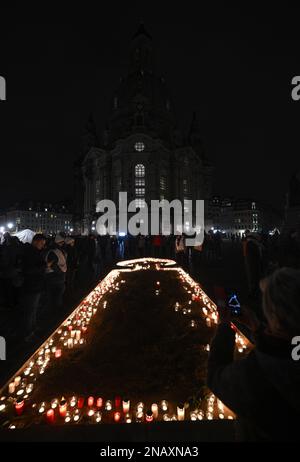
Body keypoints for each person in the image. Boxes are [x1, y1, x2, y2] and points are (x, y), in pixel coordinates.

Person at [207, 267, 300, 442]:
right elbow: (285, 347)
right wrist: (257, 328)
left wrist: (225, 326)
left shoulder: (255, 375)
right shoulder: (291, 350)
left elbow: (215, 375)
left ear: (273, 317)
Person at [21, 234, 47, 343]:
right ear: (36, 241)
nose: (43, 246)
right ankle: (28, 334)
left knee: (34, 309)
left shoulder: (36, 252)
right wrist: (44, 267)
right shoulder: (29, 253)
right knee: (30, 311)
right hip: (31, 285)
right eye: (42, 243)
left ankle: (33, 327)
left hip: (37, 285)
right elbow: (28, 270)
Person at [45, 234, 67, 313]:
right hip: (55, 277)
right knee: (56, 294)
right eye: (61, 243)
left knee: (57, 294)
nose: (63, 244)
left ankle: (55, 308)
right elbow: (52, 265)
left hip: (57, 276)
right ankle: (55, 310)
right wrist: (60, 272)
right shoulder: (53, 252)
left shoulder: (57, 250)